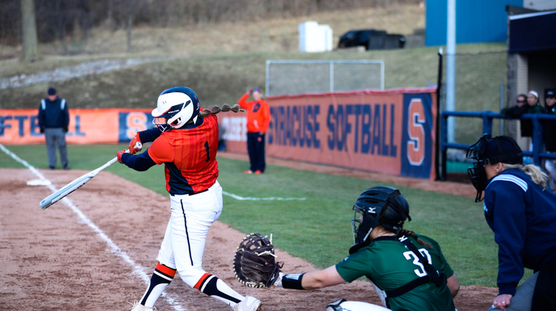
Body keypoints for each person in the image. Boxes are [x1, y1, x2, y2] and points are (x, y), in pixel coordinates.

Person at [117, 87, 261, 311]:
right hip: (211, 194)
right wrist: (141, 137)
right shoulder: (209, 119)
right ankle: (145, 306)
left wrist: (124, 157)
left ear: (179, 115)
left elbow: (140, 164)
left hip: (190, 206)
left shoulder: (170, 143)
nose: (162, 119)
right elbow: (168, 128)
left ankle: (243, 303)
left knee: (189, 271)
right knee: (168, 258)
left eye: (167, 114)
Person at [274, 186, 460, 311]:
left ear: (374, 218)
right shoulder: (425, 241)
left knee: (338, 309)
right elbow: (453, 287)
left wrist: (277, 279)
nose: (360, 219)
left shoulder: (372, 253)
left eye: (362, 214)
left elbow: (319, 280)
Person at [466, 134, 556, 311]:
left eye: (484, 163)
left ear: (498, 166)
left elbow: (510, 240)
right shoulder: (527, 178)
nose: (480, 168)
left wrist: (506, 288)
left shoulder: (502, 186)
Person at [237, 87, 271, 174]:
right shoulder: (251, 104)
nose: (255, 96)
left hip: (258, 132)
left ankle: (260, 168)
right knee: (251, 150)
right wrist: (248, 93)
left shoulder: (264, 104)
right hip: (250, 131)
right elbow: (240, 103)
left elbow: (266, 118)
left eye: (256, 95)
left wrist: (262, 130)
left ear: (260, 95)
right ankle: (252, 168)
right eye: (254, 95)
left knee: (259, 150)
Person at [37, 87, 70, 170]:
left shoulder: (62, 102)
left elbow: (66, 115)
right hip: (48, 128)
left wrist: (66, 125)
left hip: (59, 128)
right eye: (50, 95)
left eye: (53, 95)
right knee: (50, 146)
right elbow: (40, 115)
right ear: (48, 95)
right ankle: (52, 164)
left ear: (56, 94)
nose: (51, 97)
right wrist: (41, 125)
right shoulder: (43, 102)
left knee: (62, 146)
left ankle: (65, 164)